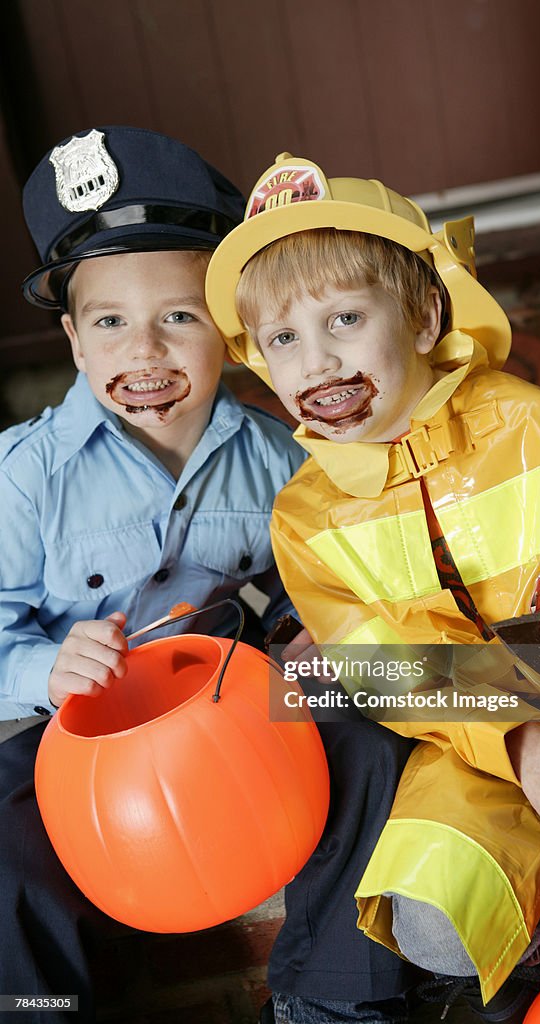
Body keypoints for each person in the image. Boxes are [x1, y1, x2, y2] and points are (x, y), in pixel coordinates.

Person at [205, 151, 540, 1023]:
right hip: (478, 744)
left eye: (344, 318)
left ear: (423, 317)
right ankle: (525, 967)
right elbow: (385, 668)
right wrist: (523, 741)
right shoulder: (306, 520)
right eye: (282, 339)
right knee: (435, 913)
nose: (316, 360)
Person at [0, 129, 421, 1023]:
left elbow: (316, 582)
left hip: (236, 715)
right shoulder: (23, 477)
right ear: (75, 340)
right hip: (73, 743)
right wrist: (46, 669)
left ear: (227, 335)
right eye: (110, 321)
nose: (143, 350)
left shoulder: (282, 460)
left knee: (376, 736)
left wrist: (319, 633)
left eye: (179, 317)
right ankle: (35, 1010)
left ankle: (331, 1001)